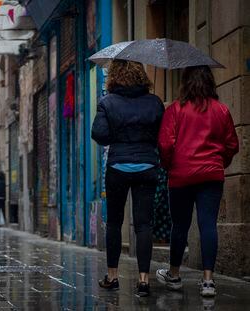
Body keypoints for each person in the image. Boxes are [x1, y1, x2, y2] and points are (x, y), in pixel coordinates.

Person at [156, 66, 239, 297]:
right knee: (208, 225)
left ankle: (174, 274)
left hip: (181, 176)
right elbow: (232, 144)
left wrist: (168, 165)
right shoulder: (221, 110)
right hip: (211, 176)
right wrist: (219, 162)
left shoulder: (175, 110)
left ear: (186, 83)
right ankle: (208, 281)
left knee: (179, 225)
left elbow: (164, 144)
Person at [91, 60, 164, 297]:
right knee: (144, 224)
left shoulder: (108, 102)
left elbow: (99, 134)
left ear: (115, 77)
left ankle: (112, 277)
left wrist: (117, 133)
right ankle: (143, 280)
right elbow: (162, 135)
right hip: (147, 166)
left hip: (118, 168)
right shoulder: (154, 102)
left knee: (114, 222)